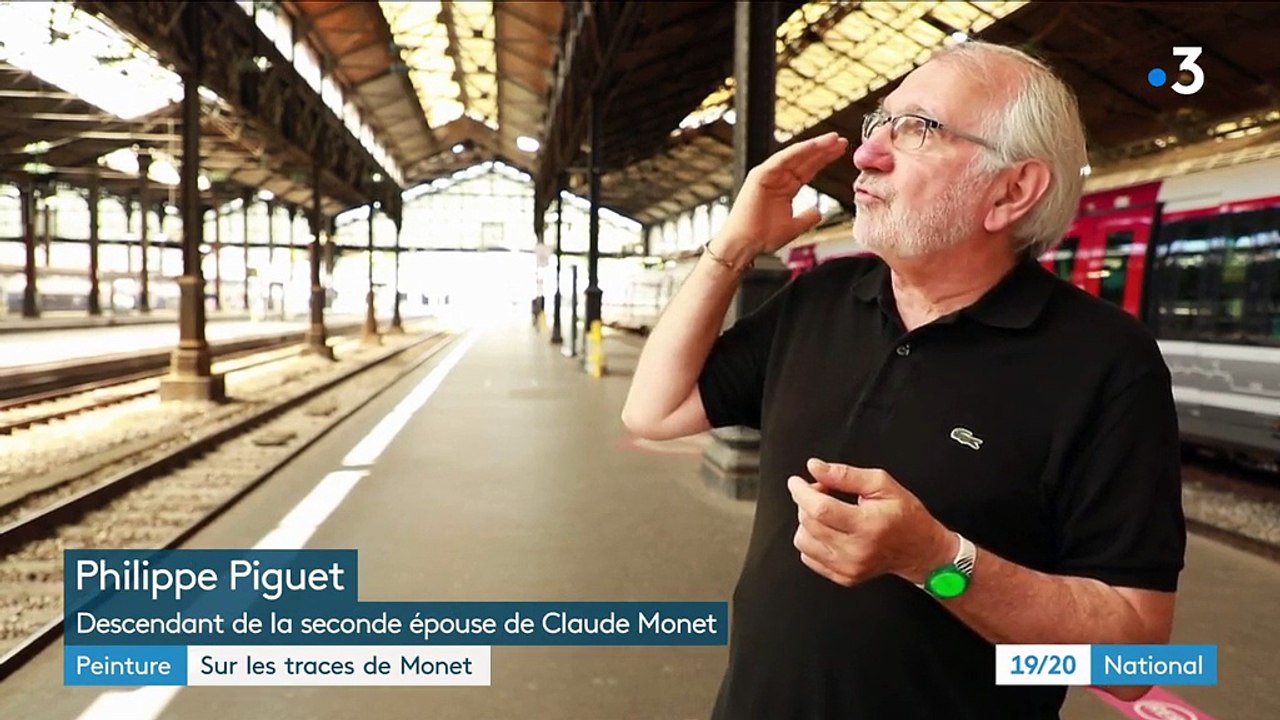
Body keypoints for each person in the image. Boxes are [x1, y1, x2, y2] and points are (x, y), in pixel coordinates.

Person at [621, 41, 1185, 719]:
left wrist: (938, 562)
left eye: (918, 129)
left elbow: (1133, 664)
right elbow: (653, 412)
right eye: (877, 125)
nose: (867, 155)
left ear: (1012, 191)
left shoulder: (1105, 362)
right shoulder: (823, 298)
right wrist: (735, 247)